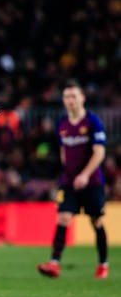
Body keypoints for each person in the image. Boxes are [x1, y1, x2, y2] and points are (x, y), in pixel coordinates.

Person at [37, 80, 108, 279]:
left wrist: (85, 174)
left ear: (82, 98)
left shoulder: (92, 122)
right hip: (69, 182)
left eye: (74, 96)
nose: (70, 101)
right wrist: (66, 173)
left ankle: (103, 264)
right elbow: (63, 152)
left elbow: (100, 152)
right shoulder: (62, 123)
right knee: (63, 217)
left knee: (97, 222)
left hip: (92, 181)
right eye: (67, 97)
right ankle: (54, 264)